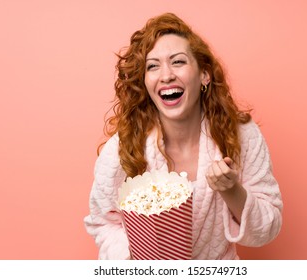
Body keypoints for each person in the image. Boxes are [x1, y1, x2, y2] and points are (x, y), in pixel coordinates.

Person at [84, 12, 283, 260]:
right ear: (145, 82)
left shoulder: (241, 134)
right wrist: (139, 264)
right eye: (152, 66)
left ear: (204, 75)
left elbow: (268, 228)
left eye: (178, 62)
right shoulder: (123, 146)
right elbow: (103, 222)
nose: (166, 75)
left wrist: (231, 189)